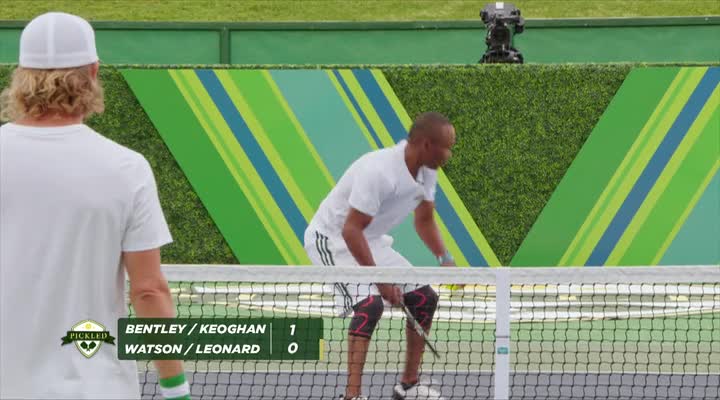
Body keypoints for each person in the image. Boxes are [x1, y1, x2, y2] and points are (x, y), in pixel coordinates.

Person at [0, 12, 189, 399]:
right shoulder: (127, 168)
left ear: (21, 76)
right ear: (93, 72)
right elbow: (148, 291)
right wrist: (175, 389)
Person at [304, 112, 457, 400]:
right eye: (446, 147)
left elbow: (424, 220)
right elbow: (350, 230)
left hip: (369, 240)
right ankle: (352, 396)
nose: (449, 154)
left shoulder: (427, 172)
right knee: (370, 305)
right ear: (426, 144)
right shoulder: (379, 171)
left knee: (424, 298)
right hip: (332, 240)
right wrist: (382, 282)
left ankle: (408, 385)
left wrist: (444, 257)